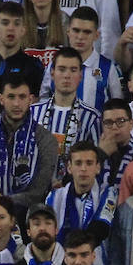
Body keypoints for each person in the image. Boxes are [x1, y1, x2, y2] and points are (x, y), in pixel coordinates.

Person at [0, 73, 58, 211]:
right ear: (1, 99)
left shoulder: (46, 139)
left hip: (26, 215)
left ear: (31, 100)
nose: (16, 103)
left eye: (22, 97)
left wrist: (2, 202)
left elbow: (39, 192)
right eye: (11, 97)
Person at [32, 47, 102, 185]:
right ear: (52, 73)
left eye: (73, 70)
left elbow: (95, 162)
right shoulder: (33, 112)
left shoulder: (92, 117)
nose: (67, 75)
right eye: (62, 69)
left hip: (70, 193)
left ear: (80, 75)